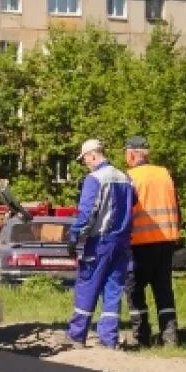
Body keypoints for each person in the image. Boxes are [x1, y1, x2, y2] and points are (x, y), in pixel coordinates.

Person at [66, 139, 136, 349]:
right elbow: (134, 202)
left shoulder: (94, 179)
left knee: (87, 286)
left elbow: (86, 214)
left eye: (85, 158)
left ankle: (77, 335)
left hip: (100, 242)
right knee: (113, 290)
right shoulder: (125, 178)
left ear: (93, 155)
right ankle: (109, 338)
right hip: (122, 242)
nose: (85, 163)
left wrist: (74, 237)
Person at [124, 135, 181, 346]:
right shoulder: (164, 174)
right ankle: (170, 335)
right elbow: (177, 205)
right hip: (166, 240)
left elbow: (125, 212)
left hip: (139, 242)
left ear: (131, 154)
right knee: (163, 289)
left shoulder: (129, 177)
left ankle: (142, 336)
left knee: (134, 289)